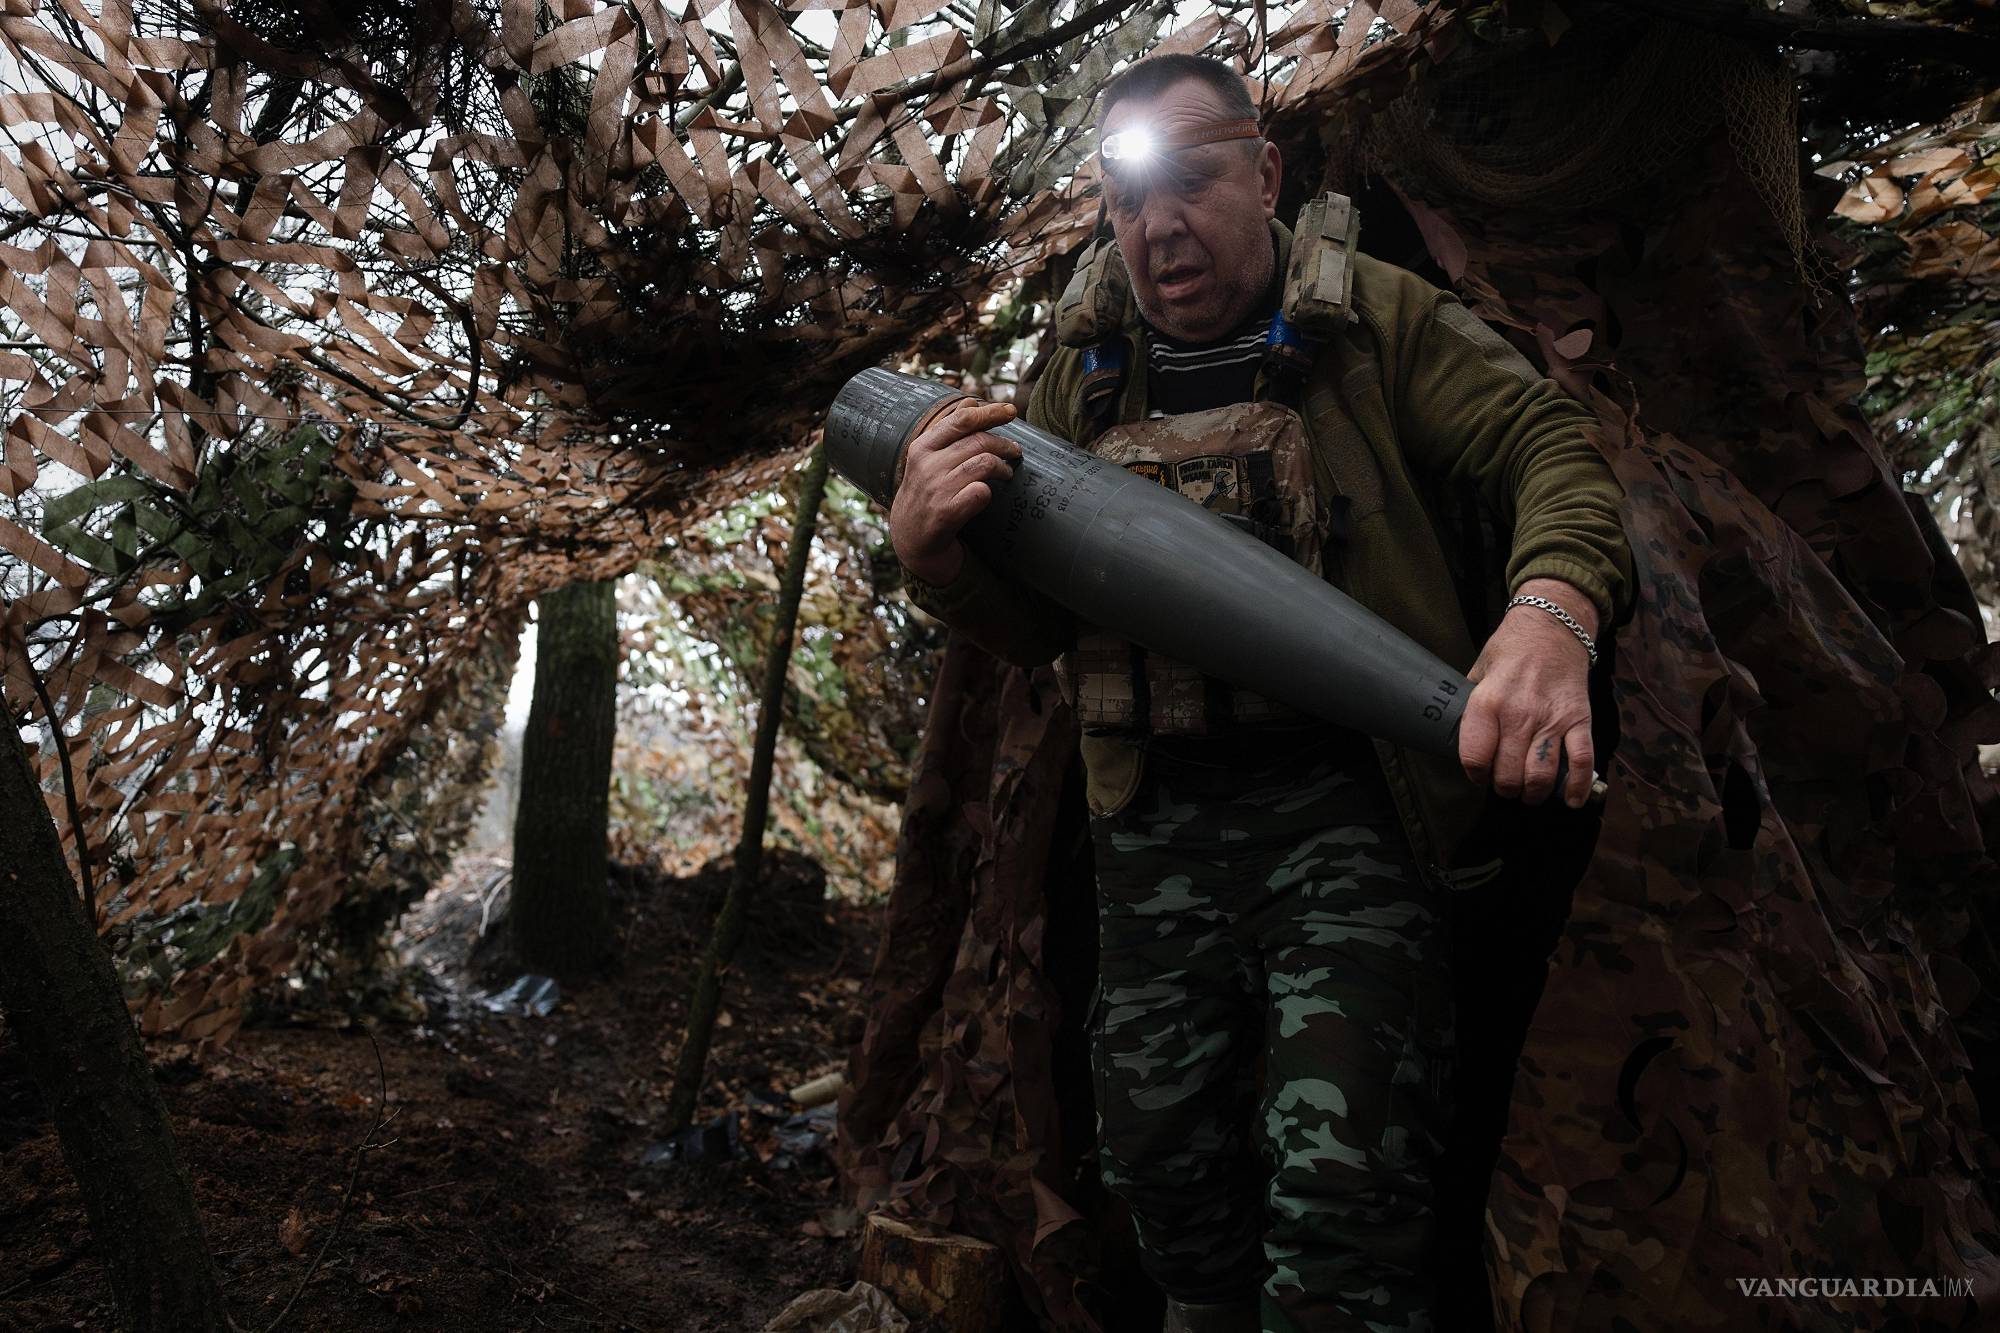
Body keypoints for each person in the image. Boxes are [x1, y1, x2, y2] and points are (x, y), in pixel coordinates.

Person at [889, 52, 1633, 1333]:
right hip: (1154, 831)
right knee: (1161, 1172)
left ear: (1266, 173)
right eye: (1128, 198)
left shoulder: (1372, 321)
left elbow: (1547, 448)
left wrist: (1549, 612)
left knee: (1344, 1193)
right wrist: (937, 565)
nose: (1158, 225)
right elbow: (1044, 623)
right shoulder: (1081, 368)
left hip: (1349, 818)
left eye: (1191, 181)